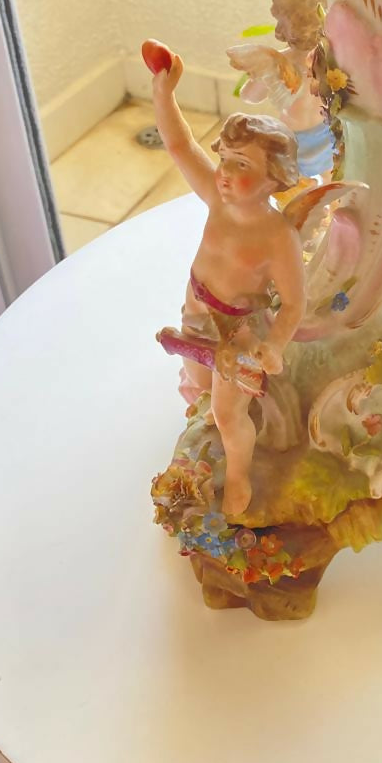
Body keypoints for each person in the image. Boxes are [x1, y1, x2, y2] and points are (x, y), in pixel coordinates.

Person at [145, 40, 307, 518]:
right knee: (197, 385)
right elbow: (180, 146)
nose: (225, 173)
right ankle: (208, 438)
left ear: (275, 177)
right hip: (195, 307)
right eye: (226, 159)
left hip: (238, 333)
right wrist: (163, 94)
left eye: (242, 165)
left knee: (227, 411)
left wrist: (274, 344)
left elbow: (294, 303)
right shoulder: (218, 200)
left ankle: (238, 476)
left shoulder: (278, 236)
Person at [228, 0, 335, 179]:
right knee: (330, 182)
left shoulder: (277, 62)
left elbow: (249, 96)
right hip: (326, 135)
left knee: (295, 186)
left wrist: (260, 73)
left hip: (295, 140)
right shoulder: (337, 58)